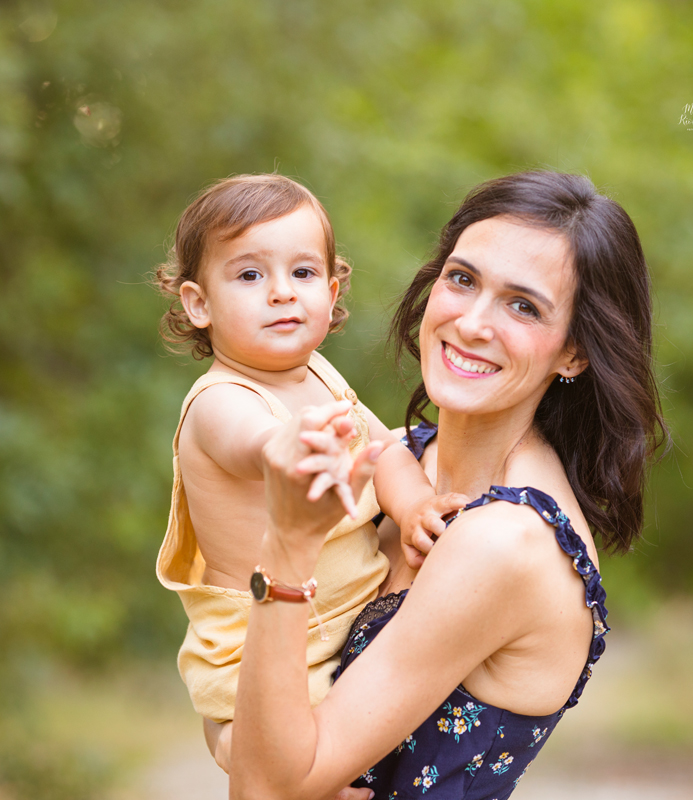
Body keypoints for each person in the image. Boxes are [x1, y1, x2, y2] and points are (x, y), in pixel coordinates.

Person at [229, 171, 667, 800]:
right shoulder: (404, 462)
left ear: (573, 353)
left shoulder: (506, 541)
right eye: (462, 280)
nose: (471, 323)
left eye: (523, 305)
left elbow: (265, 789)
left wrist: (288, 546)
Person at [152, 174, 466, 767]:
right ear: (199, 303)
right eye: (250, 275)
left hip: (342, 618)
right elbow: (256, 443)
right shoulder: (218, 400)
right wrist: (285, 448)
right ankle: (235, 751)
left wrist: (417, 506)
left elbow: (387, 452)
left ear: (331, 286)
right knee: (284, 753)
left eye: (302, 273)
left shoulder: (320, 374)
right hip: (264, 642)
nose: (281, 293)